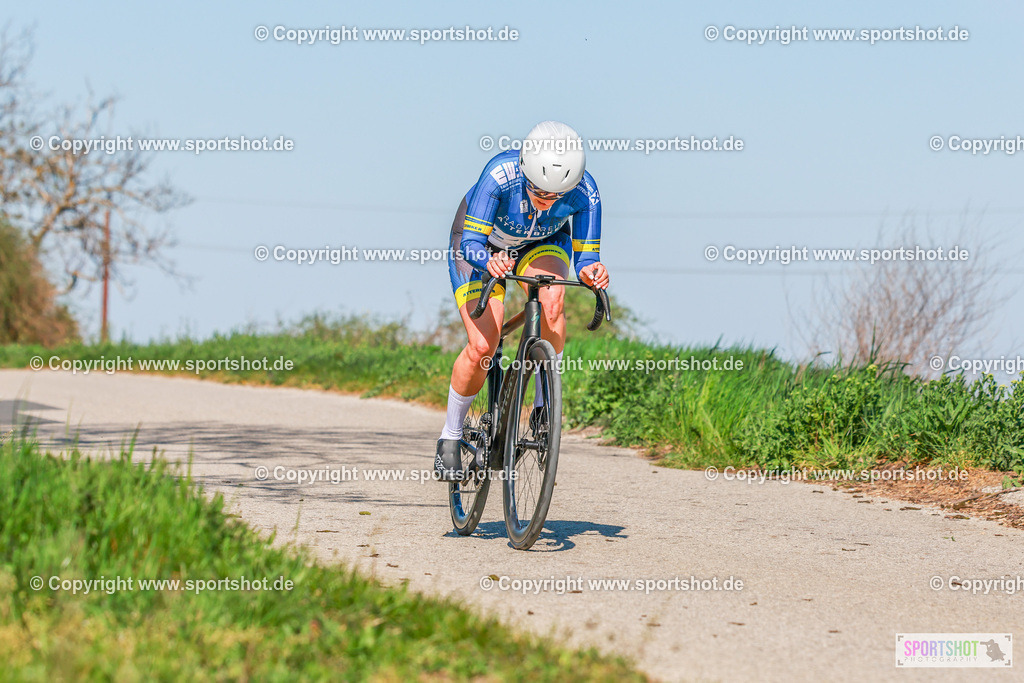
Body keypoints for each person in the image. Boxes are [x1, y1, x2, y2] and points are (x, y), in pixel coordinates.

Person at [435, 120, 609, 480]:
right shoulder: (499, 175)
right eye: (539, 192)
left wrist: (592, 272)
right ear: (525, 171)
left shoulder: (587, 193)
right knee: (483, 345)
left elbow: (587, 258)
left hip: (541, 243)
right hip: (483, 245)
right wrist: (489, 260)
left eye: (556, 196)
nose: (546, 201)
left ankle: (544, 406)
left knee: (553, 304)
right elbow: (470, 245)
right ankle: (449, 436)